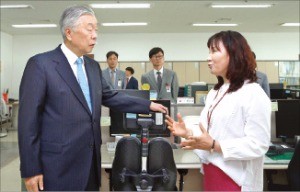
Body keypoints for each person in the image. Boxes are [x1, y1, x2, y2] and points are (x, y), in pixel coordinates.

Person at [18, 5, 167, 192]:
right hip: (56, 167)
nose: (95, 35)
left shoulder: (92, 67)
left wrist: (148, 105)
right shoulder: (41, 65)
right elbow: (27, 123)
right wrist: (31, 170)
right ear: (69, 32)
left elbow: (110, 96)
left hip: (90, 164)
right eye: (89, 29)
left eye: (96, 29)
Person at [165, 30, 271, 191]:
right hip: (211, 173)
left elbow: (258, 144)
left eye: (214, 51)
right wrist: (188, 132)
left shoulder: (253, 93)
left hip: (235, 180)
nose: (208, 58)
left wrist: (216, 145)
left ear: (234, 54)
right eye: (209, 51)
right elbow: (210, 134)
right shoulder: (216, 92)